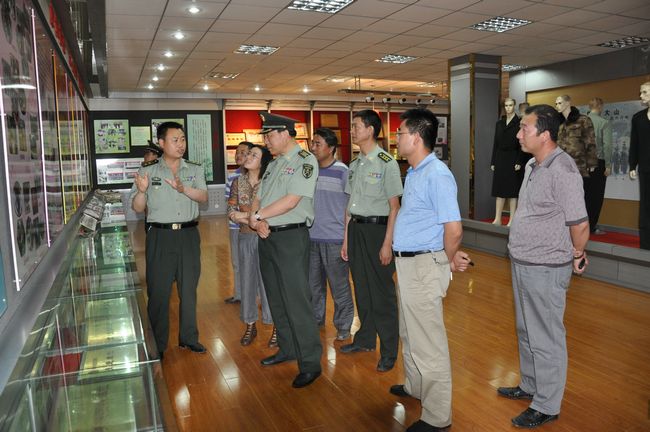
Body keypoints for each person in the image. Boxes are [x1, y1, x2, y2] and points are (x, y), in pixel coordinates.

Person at [498, 105, 590, 429]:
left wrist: (578, 252)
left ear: (545, 135)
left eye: (524, 128)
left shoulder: (563, 170)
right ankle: (531, 384)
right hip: (523, 261)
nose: (519, 134)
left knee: (546, 336)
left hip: (546, 266)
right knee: (526, 329)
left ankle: (547, 404)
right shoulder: (532, 165)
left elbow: (580, 223)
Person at [389, 108, 472, 432]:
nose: (396, 138)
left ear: (415, 137)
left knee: (428, 343)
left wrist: (445, 259)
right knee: (410, 333)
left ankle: (437, 417)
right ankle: (416, 386)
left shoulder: (437, 174)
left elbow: (454, 229)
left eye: (399, 133)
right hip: (409, 263)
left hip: (424, 265)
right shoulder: (414, 172)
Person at [248, 112, 322, 388]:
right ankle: (288, 348)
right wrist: (257, 220)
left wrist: (258, 217)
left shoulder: (305, 161)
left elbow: (292, 201)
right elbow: (259, 196)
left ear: (285, 133)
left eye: (269, 135)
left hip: (291, 237)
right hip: (267, 236)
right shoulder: (274, 163)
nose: (266, 141)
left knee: (297, 300)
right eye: (265, 136)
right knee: (276, 298)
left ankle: (310, 362)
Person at [131, 121, 209, 359]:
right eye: (175, 140)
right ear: (162, 143)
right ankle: (158, 344)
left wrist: (184, 189)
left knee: (189, 290)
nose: (181, 144)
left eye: (183, 139)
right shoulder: (148, 170)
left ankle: (189, 338)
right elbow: (137, 207)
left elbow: (203, 197)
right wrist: (142, 191)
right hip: (160, 237)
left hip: (188, 235)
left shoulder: (194, 169)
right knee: (158, 292)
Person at [340, 109, 402, 372]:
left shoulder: (387, 162)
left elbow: (395, 207)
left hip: (378, 232)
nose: (352, 130)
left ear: (370, 130)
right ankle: (365, 339)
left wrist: (388, 243)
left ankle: (389, 350)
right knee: (362, 289)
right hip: (356, 230)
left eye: (356, 126)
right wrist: (346, 240)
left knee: (382, 293)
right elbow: (349, 207)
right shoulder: (354, 165)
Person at [308, 127, 354, 341]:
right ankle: (315, 321)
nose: (313, 147)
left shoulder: (343, 172)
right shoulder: (309, 171)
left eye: (318, 143)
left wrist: (346, 240)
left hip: (335, 240)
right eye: (312, 143)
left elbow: (350, 209)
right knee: (313, 287)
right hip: (311, 238)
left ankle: (344, 327)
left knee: (339, 287)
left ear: (331, 148)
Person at [227, 144, 276, 347]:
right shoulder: (237, 182)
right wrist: (251, 217)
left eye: (253, 155)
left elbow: (273, 211)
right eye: (248, 154)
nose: (247, 157)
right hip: (245, 237)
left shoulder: (270, 182)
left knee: (269, 282)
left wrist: (244, 215)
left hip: (267, 237)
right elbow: (231, 211)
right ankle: (250, 324)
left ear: (263, 162)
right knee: (246, 282)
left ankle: (275, 325)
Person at [555, 94, 598, 228]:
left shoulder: (583, 120)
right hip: (562, 168)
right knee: (562, 198)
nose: (557, 106)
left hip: (578, 166)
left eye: (560, 103)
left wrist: (591, 162)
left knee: (578, 199)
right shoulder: (560, 124)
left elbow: (590, 142)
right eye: (556, 103)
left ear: (568, 103)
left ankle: (580, 228)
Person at [490, 98, 527, 226]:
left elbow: (522, 143)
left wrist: (519, 161)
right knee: (499, 189)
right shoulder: (499, 123)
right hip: (500, 158)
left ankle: (512, 219)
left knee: (512, 191)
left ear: (514, 106)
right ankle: (497, 218)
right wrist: (493, 161)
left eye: (510, 105)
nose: (508, 108)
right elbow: (495, 143)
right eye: (506, 105)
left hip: (513, 157)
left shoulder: (519, 123)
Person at [224, 142, 252, 305]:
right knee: (236, 261)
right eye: (237, 152)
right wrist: (237, 217)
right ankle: (239, 294)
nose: (238, 155)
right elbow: (229, 203)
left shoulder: (259, 175)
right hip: (236, 226)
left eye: (243, 152)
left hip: (254, 227)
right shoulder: (232, 176)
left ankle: (257, 294)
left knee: (254, 262)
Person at [586, 98, 613, 234]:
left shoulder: (581, 122)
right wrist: (608, 165)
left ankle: (579, 227)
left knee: (583, 194)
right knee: (596, 196)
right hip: (598, 162)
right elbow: (607, 145)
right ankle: (591, 226)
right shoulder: (604, 123)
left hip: (582, 163)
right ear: (601, 106)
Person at [629, 81, 650, 250]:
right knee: (646, 206)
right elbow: (634, 144)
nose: (640, 95)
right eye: (640, 92)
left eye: (644, 92)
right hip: (645, 168)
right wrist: (632, 166)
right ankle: (646, 244)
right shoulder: (638, 118)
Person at [142, 142, 163, 232]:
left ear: (156, 156)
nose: (145, 156)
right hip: (149, 216)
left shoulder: (160, 173)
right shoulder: (145, 171)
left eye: (148, 154)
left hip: (159, 217)